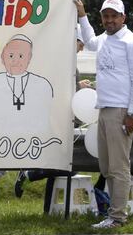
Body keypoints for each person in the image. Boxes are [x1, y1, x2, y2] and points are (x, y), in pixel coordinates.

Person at [74, 0, 133, 228]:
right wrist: (82, 14)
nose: (109, 20)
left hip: (121, 111)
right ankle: (114, 214)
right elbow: (90, 41)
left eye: (114, 16)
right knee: (106, 167)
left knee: (118, 167)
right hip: (104, 109)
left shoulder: (132, 42)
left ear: (123, 17)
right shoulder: (104, 38)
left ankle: (117, 217)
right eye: (106, 16)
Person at [14, 26, 92, 214]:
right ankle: (31, 173)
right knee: (67, 169)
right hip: (61, 123)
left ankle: (49, 210)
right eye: (80, 44)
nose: (81, 49)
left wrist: (78, 86)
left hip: (56, 121)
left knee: (58, 167)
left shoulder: (61, 59)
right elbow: (60, 93)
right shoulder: (66, 61)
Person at [0, 34, 53, 133]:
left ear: (29, 58)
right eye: (11, 55)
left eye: (21, 56)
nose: (15, 60)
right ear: (2, 58)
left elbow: (46, 117)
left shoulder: (43, 85)